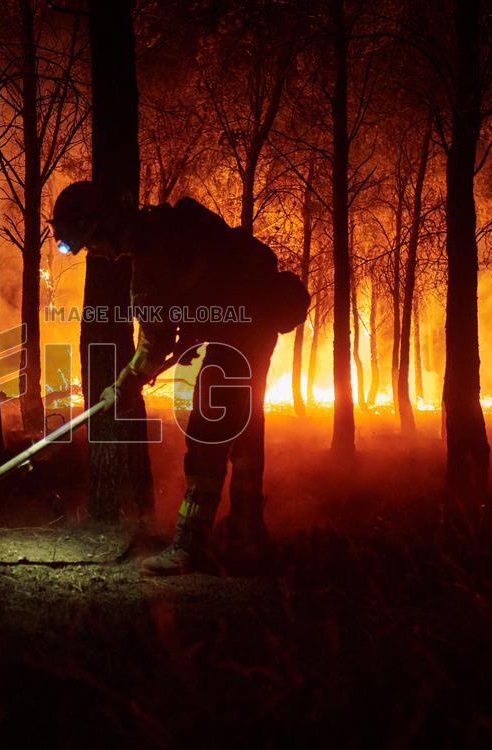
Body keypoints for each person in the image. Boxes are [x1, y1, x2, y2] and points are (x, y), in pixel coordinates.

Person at [50, 181, 309, 575]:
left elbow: (155, 344)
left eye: (88, 244)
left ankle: (190, 547)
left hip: (238, 336)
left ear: (100, 227)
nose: (95, 253)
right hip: (255, 329)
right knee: (243, 430)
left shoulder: (150, 264)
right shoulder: (168, 226)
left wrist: (124, 387)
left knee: (208, 430)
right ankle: (247, 532)